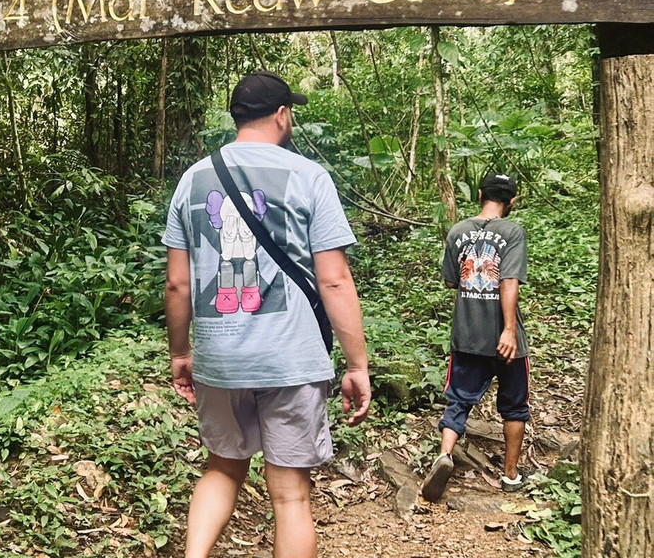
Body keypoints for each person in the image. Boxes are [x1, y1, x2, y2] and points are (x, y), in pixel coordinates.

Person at [162, 71, 371, 558]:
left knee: (221, 468)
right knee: (291, 495)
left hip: (220, 356)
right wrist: (357, 365)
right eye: (290, 111)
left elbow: (177, 283)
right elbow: (334, 279)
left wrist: (180, 352)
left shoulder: (193, 179)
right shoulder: (309, 176)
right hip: (290, 356)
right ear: (282, 115)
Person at [421, 173, 531, 502]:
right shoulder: (512, 232)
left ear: (480, 194)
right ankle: (510, 476)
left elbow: (451, 282)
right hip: (505, 338)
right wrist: (509, 329)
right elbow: (508, 280)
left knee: (458, 400)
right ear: (510, 202)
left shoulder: (457, 231)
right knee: (514, 405)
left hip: (467, 334)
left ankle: (444, 455)